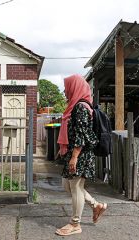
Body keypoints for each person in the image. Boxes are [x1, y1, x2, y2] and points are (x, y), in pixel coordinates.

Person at [55, 74, 107, 236]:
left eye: (67, 87)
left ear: (74, 87)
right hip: (75, 152)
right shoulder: (77, 106)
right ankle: (95, 205)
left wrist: (75, 156)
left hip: (81, 154)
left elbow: (82, 134)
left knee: (76, 187)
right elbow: (74, 132)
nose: (65, 91)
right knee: (67, 185)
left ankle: (75, 223)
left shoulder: (80, 107)